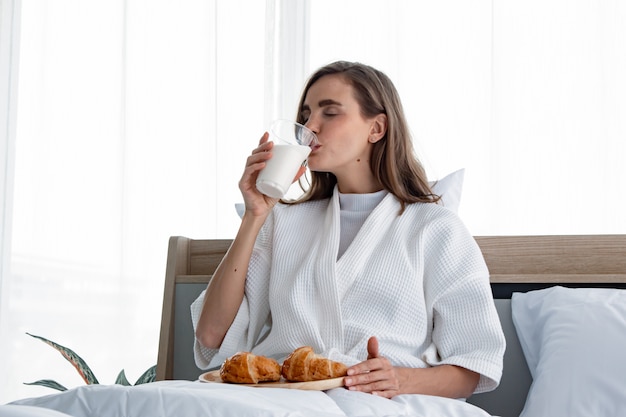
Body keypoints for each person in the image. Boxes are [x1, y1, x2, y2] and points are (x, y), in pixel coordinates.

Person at [191, 61, 505, 399]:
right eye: (307, 114)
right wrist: (255, 215)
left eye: (330, 113)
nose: (310, 126)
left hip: (380, 402)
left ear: (377, 128)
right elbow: (211, 336)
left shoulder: (435, 229)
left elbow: (475, 365)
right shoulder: (282, 222)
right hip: (282, 399)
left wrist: (400, 379)